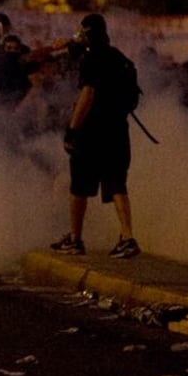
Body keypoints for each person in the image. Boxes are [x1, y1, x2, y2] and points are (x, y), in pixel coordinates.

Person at [51, 13, 141, 259]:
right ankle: (127, 238)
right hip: (117, 130)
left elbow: (87, 95)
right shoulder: (118, 57)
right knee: (117, 183)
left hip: (92, 131)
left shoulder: (91, 60)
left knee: (79, 185)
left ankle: (76, 239)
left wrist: (72, 128)